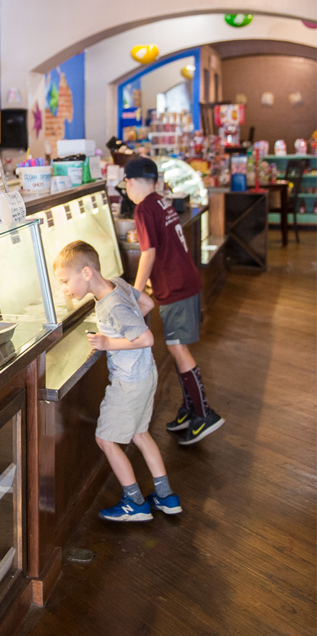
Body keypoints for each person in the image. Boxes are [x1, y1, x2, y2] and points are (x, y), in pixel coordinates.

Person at [53, 241, 181, 522]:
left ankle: (134, 502)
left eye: (65, 281)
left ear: (86, 273)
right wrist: (125, 324)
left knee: (105, 439)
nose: (64, 288)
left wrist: (107, 341)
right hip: (145, 374)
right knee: (140, 433)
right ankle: (166, 496)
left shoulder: (110, 306)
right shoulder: (116, 283)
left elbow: (146, 338)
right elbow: (146, 303)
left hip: (129, 382)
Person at [122, 157, 222, 445]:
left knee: (178, 349)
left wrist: (136, 293)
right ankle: (190, 409)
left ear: (128, 182)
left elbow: (149, 252)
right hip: (184, 281)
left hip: (176, 288)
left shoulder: (143, 209)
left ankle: (204, 413)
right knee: (178, 347)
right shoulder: (161, 201)